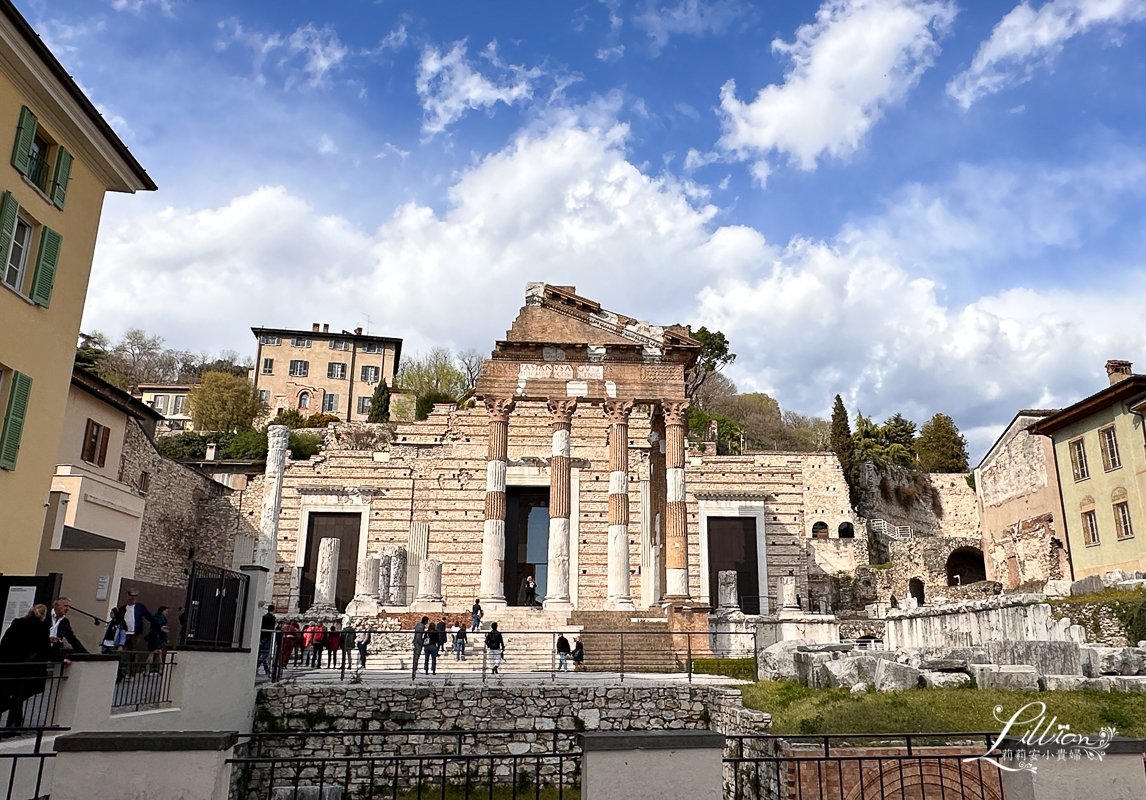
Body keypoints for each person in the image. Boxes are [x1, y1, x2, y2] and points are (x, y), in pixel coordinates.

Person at [0, 604, 63, 731]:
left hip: (9, 666)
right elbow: (43, 649)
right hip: (28, 669)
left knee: (11, 695)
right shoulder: (41, 627)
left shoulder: (17, 624)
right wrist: (60, 659)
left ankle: (15, 724)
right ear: (43, 615)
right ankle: (13, 726)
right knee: (19, 695)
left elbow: (5, 643)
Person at [121, 589, 158, 671]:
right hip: (124, 633)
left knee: (133, 653)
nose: (133, 598)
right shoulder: (123, 608)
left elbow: (149, 616)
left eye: (135, 596)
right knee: (122, 652)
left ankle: (131, 672)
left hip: (135, 633)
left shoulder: (140, 607)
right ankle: (122, 670)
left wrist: (159, 625)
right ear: (127, 596)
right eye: (132, 595)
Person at [257, 604, 277, 675]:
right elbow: (273, 627)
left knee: (261, 653)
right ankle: (257, 665)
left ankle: (266, 670)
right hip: (268, 636)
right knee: (265, 654)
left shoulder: (264, 617)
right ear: (273, 610)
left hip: (262, 637)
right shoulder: (272, 618)